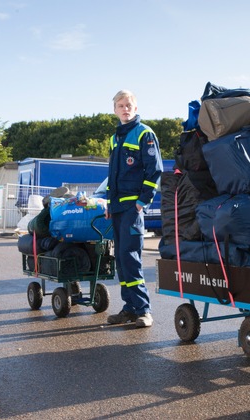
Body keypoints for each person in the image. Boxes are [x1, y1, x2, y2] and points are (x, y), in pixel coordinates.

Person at [105, 90, 163, 328]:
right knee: (120, 258)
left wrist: (142, 202)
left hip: (132, 207)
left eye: (128, 105)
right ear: (115, 110)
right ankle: (129, 308)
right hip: (118, 207)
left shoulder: (144, 133)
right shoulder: (114, 138)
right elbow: (112, 175)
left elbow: (155, 171)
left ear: (135, 108)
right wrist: (109, 203)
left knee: (131, 257)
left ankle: (143, 310)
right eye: (120, 105)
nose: (125, 108)